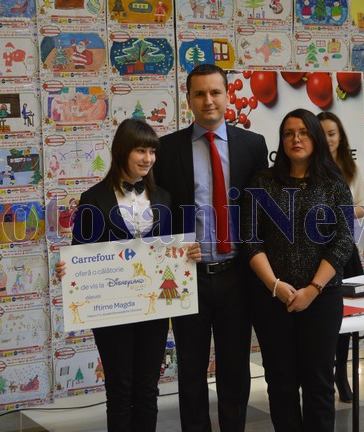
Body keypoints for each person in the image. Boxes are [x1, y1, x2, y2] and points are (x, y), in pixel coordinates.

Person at [55, 118, 201, 432]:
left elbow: (172, 249)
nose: (148, 158)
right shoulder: (93, 198)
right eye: (140, 150)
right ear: (122, 151)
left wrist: (190, 253)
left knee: (147, 389)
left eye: (152, 151)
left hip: (153, 308)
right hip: (111, 312)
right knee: (119, 390)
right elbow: (80, 253)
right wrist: (67, 269)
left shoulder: (164, 198)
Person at [153, 63, 268, 432]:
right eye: (199, 93)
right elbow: (156, 212)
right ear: (188, 99)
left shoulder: (253, 145)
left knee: (235, 368)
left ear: (228, 95)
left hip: (238, 274)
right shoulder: (166, 149)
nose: (208, 100)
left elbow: (263, 210)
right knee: (191, 369)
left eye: (215, 92)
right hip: (189, 277)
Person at [241, 108, 354, 431]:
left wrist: (313, 289)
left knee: (319, 382)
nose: (296, 139)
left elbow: (343, 241)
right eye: (289, 133)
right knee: (281, 383)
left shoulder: (333, 184)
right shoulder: (262, 182)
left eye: (303, 132)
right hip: (272, 300)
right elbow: (250, 240)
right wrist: (274, 285)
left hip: (321, 298)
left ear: (315, 137)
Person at [318, 111, 364, 403]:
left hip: (345, 250)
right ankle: (322, 375)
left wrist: (344, 212)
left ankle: (341, 373)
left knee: (347, 315)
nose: (327, 139)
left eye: (332, 133)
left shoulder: (351, 168)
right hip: (314, 252)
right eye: (322, 133)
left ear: (341, 136)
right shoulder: (307, 167)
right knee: (320, 318)